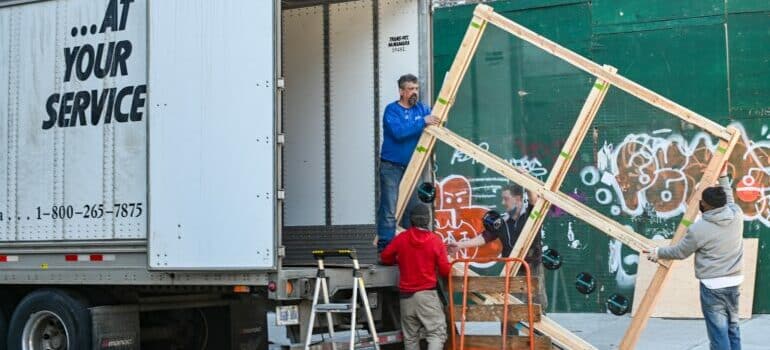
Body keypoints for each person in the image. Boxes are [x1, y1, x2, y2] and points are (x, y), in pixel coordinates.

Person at [645, 166, 743, 350]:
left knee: (718, 333)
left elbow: (680, 252)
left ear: (706, 205)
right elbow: (729, 199)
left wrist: (657, 252)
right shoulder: (737, 214)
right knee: (733, 328)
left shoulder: (699, 229)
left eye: (702, 201)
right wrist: (722, 176)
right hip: (734, 282)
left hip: (713, 286)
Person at [447, 184, 548, 310]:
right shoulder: (503, 221)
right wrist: (460, 245)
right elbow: (484, 237)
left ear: (517, 199)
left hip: (532, 267)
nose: (503, 202)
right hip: (512, 269)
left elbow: (535, 201)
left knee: (538, 304)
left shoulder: (531, 216)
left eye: (506, 198)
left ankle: (538, 330)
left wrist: (525, 180)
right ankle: (508, 330)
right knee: (508, 307)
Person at [376, 74, 439, 252]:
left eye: (416, 89)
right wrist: (422, 122)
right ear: (402, 92)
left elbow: (435, 122)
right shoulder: (391, 110)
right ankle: (386, 250)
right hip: (391, 167)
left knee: (413, 209)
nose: (415, 92)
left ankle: (409, 251)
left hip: (413, 166)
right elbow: (399, 133)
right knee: (389, 209)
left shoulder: (422, 109)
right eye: (410, 89)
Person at [380, 203, 450, 350]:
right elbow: (445, 270)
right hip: (426, 296)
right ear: (428, 220)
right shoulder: (435, 241)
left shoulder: (402, 239)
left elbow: (385, 257)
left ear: (411, 220)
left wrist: (398, 259)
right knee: (437, 334)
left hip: (406, 298)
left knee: (410, 338)